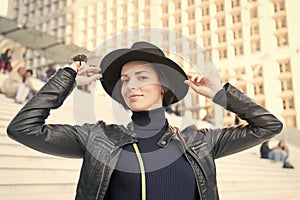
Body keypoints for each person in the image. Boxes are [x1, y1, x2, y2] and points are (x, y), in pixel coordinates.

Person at [7, 41, 283, 200]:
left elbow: (269, 126)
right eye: (125, 80)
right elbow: (23, 129)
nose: (130, 86)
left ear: (163, 86)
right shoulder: (98, 138)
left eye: (142, 77)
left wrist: (221, 94)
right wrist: (67, 77)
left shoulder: (199, 142)